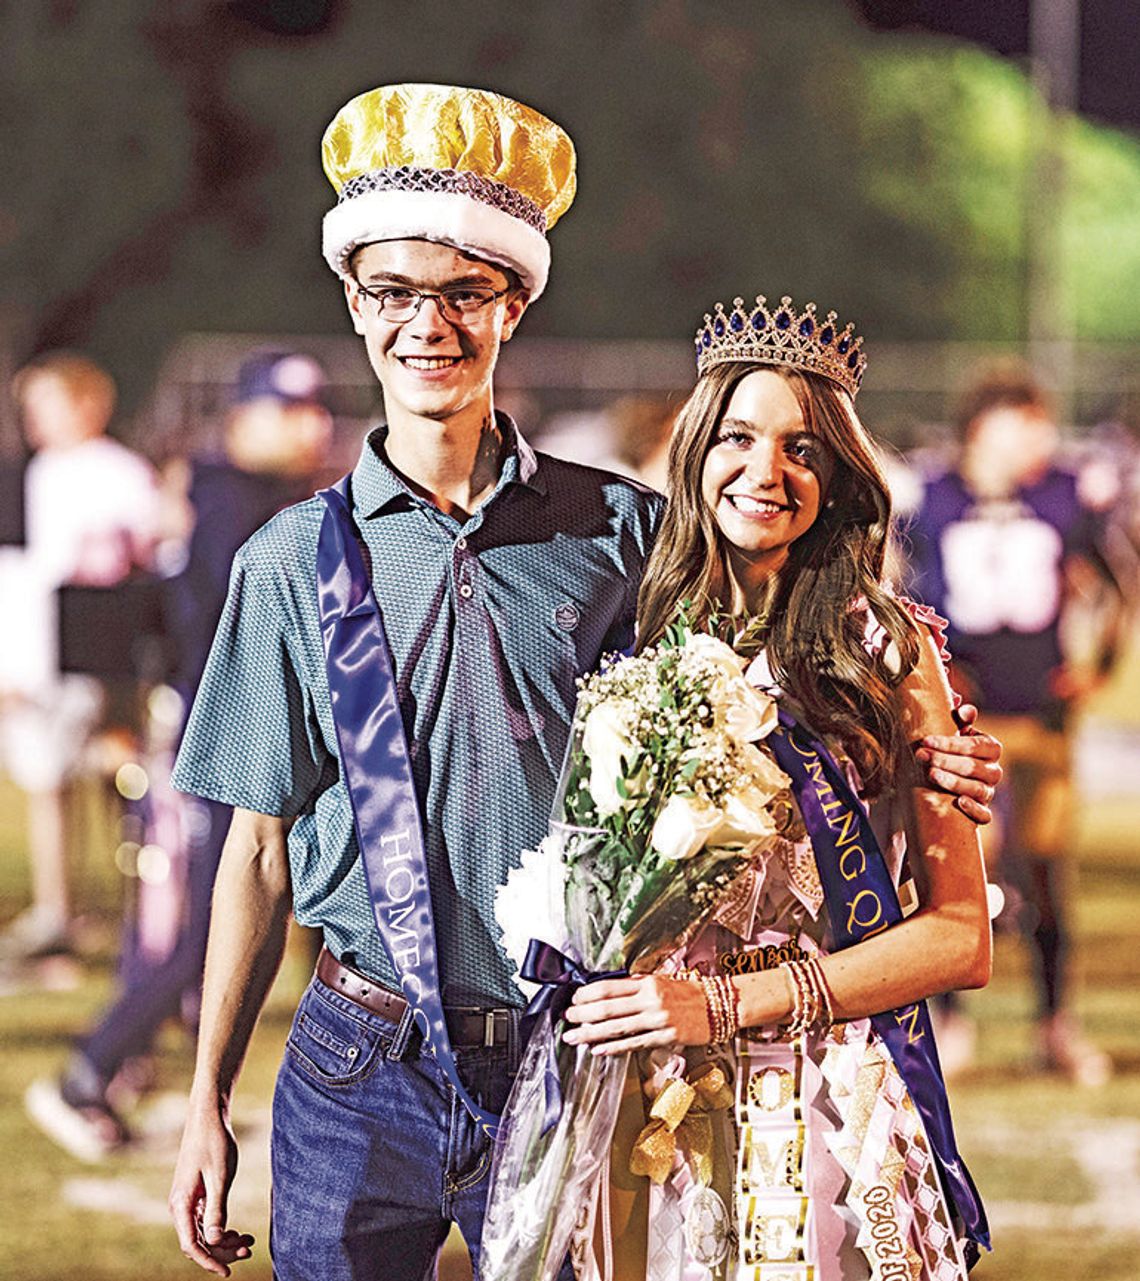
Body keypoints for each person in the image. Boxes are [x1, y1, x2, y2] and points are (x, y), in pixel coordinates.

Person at [167, 88, 1000, 1281]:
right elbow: (255, 850)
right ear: (356, 308)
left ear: (515, 303)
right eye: (396, 292)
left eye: (465, 292)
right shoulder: (290, 562)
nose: (429, 325)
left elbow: (790, 655)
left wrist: (940, 743)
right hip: (360, 1058)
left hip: (579, 1049)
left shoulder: (624, 532)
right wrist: (206, 1097)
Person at [562, 294, 993, 1279]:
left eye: (803, 448)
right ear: (694, 450)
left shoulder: (887, 646)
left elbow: (961, 937)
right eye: (740, 438)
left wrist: (727, 1006)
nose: (767, 472)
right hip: (650, 1095)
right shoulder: (624, 630)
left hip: (832, 1097)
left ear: (839, 476)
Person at [24, 350, 330, 1162]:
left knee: (214, 924)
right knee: (208, 927)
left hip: (239, 732)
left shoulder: (248, 491)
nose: (311, 425)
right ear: (246, 415)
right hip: (214, 736)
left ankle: (131, 1076)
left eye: (313, 408)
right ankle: (88, 1070)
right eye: (288, 409)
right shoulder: (226, 497)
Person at [906, 361, 1123, 1084]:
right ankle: (952, 1021)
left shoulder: (1061, 494)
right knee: (959, 865)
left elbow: (1116, 582)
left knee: (1047, 871)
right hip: (965, 714)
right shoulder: (931, 495)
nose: (1037, 436)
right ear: (984, 423)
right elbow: (900, 593)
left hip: (1041, 712)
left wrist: (1101, 667)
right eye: (1022, 419)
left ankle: (1055, 1023)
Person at [0, 352, 159, 962]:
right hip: (46, 652)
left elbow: (139, 556)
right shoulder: (45, 470)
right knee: (52, 778)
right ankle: (60, 910)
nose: (35, 419)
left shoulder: (118, 472)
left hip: (95, 654)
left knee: (106, 772)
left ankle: (116, 912)